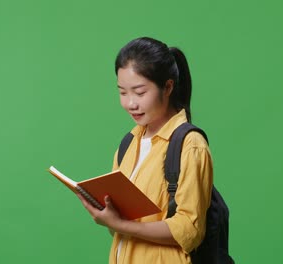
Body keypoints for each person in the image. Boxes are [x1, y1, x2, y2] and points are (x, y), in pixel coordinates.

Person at [77, 37, 213, 264]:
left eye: (140, 93)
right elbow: (123, 229)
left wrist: (119, 224)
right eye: (122, 92)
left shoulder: (190, 145)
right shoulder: (129, 143)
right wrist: (109, 215)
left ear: (168, 87)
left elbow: (190, 231)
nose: (131, 103)